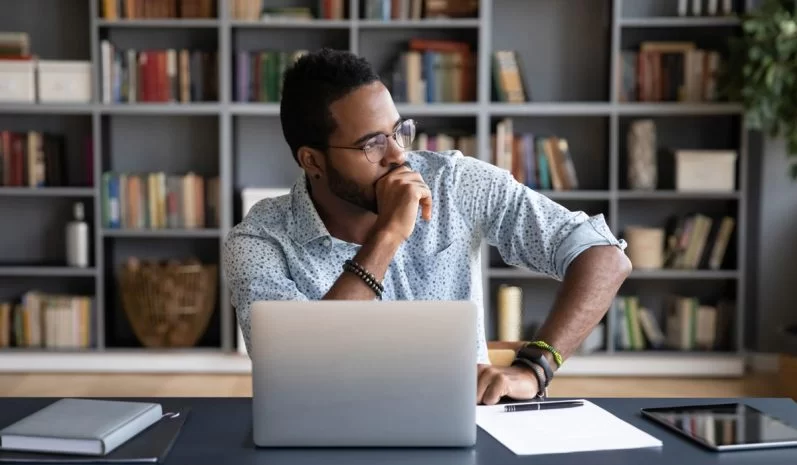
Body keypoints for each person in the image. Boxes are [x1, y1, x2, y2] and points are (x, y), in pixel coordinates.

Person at [223, 48, 631, 405]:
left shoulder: (453, 183)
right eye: (371, 144)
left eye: (398, 131)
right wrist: (387, 236)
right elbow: (292, 370)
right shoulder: (259, 241)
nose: (399, 156)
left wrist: (536, 367)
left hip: (466, 422)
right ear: (312, 160)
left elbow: (605, 256)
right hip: (333, 436)